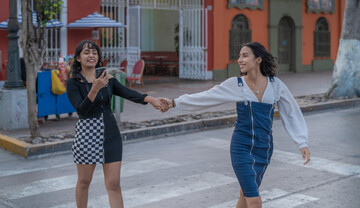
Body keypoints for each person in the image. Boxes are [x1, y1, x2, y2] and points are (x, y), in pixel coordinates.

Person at [161, 42, 310, 208]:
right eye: (239, 56)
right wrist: (175, 103)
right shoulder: (237, 84)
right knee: (254, 201)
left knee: (244, 196)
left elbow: (291, 112)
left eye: (245, 55)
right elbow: (206, 97)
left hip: (264, 149)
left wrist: (301, 141)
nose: (240, 59)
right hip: (241, 148)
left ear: (258, 59)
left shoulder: (276, 85)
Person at [66, 40, 167, 208]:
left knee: (113, 183)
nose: (91, 55)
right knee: (84, 182)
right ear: (78, 58)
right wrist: (95, 88)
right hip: (86, 137)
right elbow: (82, 111)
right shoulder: (73, 82)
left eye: (94, 52)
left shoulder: (106, 77)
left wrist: (151, 99)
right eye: (86, 52)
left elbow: (128, 93)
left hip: (110, 135)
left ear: (98, 57)